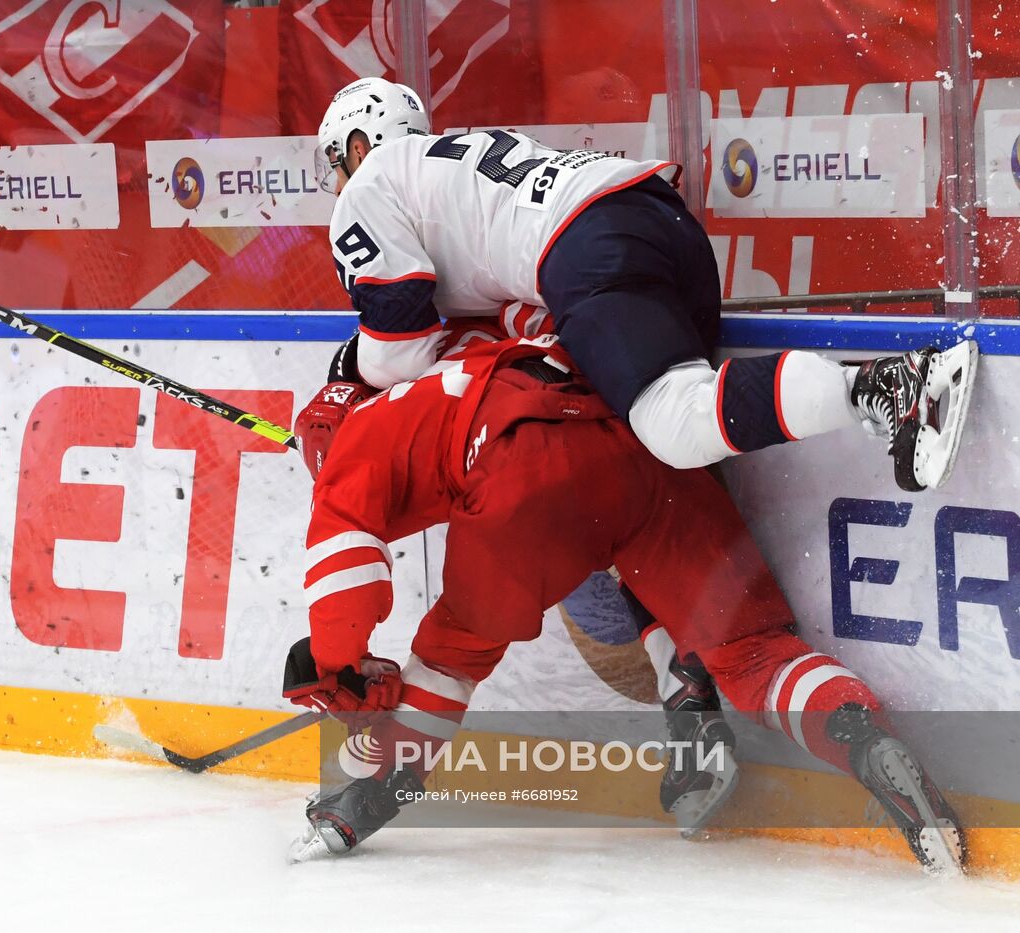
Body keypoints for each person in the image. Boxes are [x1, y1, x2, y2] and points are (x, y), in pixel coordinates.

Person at [281, 326, 967, 875]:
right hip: (637, 443)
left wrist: (341, 672)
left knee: (450, 658)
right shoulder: (463, 353)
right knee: (752, 650)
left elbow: (346, 591)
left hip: (526, 474)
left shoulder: (345, 454)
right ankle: (861, 735)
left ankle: (365, 801)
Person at [312, 77, 977, 492]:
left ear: (362, 146)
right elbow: (499, 310)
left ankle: (889, 384)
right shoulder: (447, 169)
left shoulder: (370, 185)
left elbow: (397, 347)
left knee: (672, 427)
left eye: (336, 162)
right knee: (681, 423)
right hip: (653, 216)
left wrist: (351, 367)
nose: (336, 185)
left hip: (587, 244)